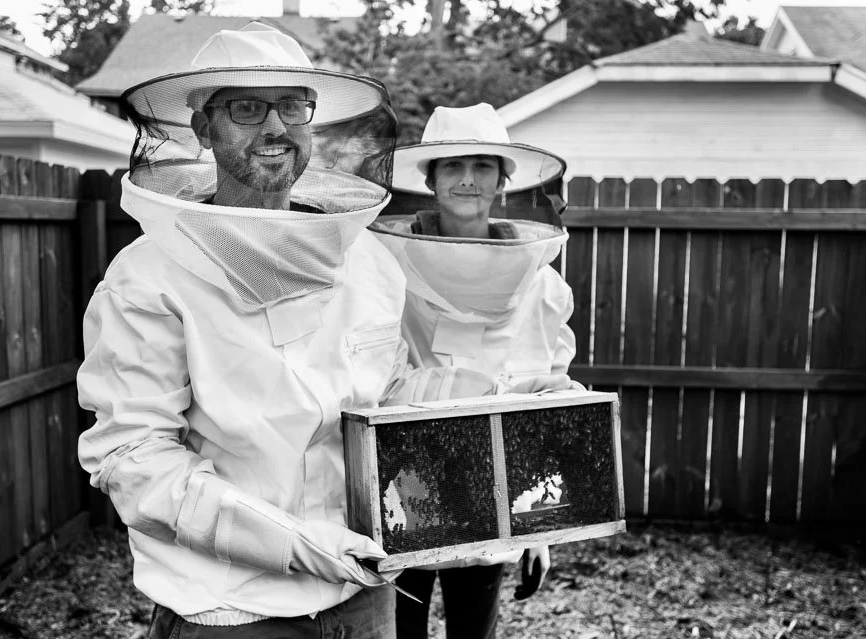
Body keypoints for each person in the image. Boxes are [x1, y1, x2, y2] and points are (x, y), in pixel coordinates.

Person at [76, 24, 502, 639]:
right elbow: (135, 459)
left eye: (292, 105)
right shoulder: (147, 278)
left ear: (312, 119)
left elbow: (384, 396)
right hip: (229, 609)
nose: (275, 127)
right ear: (202, 128)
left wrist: (500, 398)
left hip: (363, 593)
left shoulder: (366, 261)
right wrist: (295, 543)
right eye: (247, 109)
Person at [370, 103, 582, 639]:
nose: (467, 179)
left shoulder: (542, 286)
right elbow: (368, 377)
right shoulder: (382, 268)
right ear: (430, 178)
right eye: (452, 165)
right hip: (405, 483)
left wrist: (539, 527)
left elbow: (544, 404)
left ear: (503, 182)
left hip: (496, 487)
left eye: (483, 166)